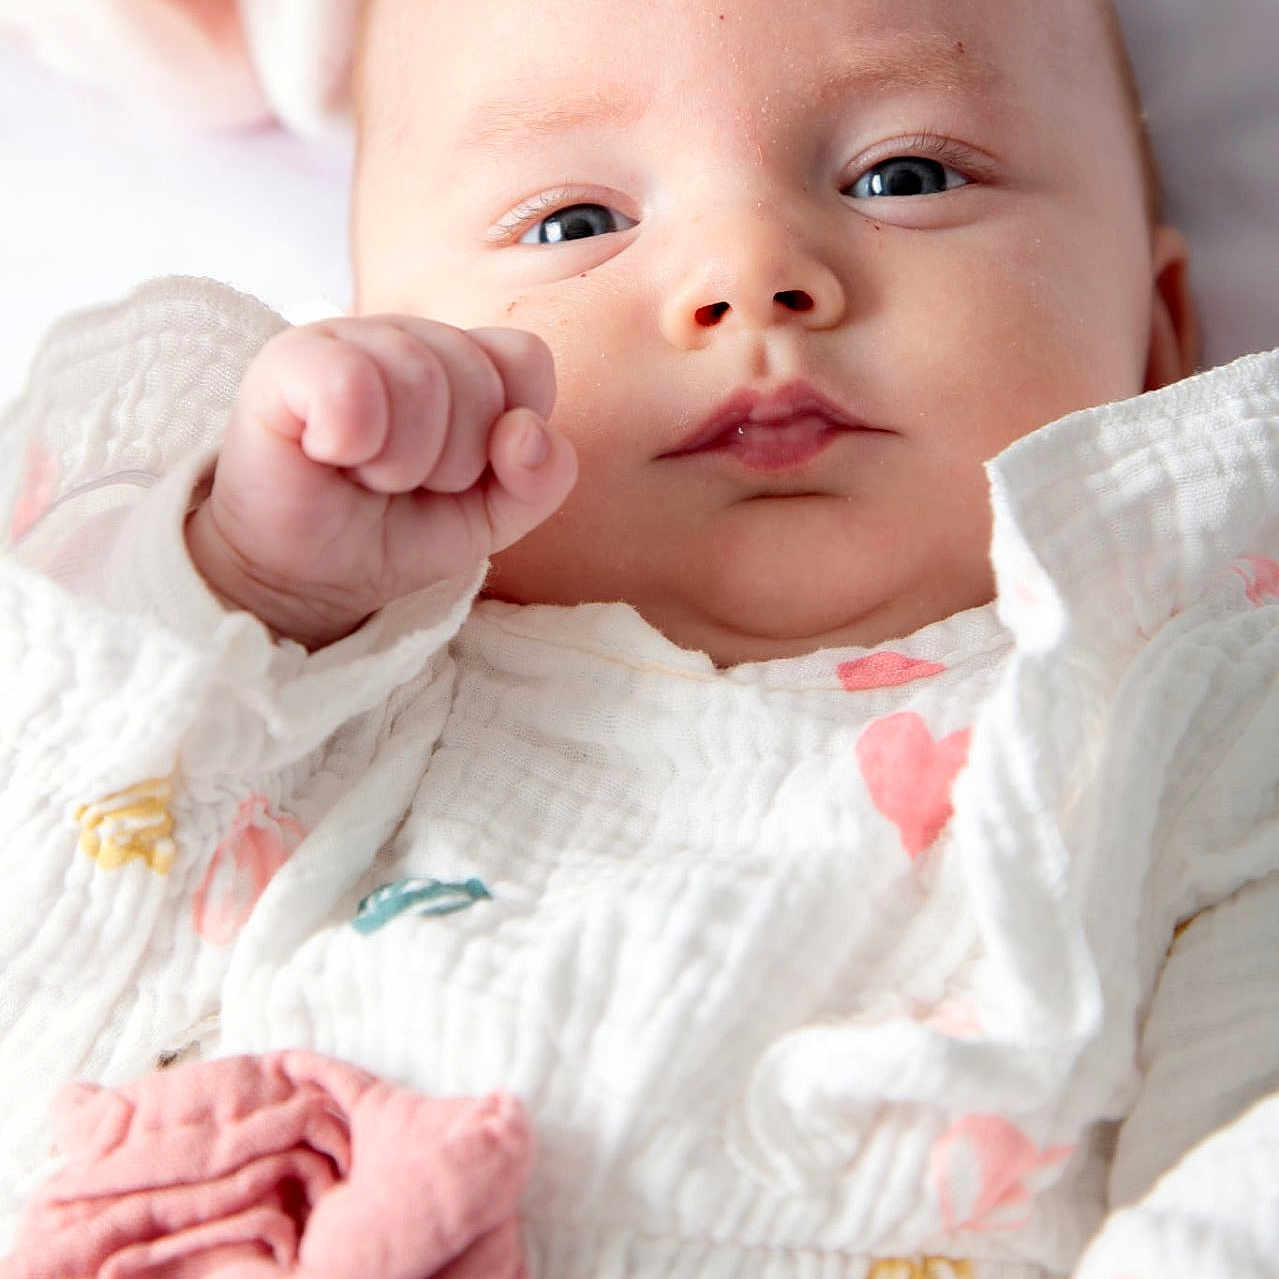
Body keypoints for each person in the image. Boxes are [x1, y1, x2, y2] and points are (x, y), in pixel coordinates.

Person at [1, 0, 1277, 1274]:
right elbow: (55, 971)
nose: (748, 272)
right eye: (575, 224)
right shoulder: (347, 686)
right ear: (384, 338)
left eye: (904, 174)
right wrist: (255, 585)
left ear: (1160, 335)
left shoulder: (1179, 711)